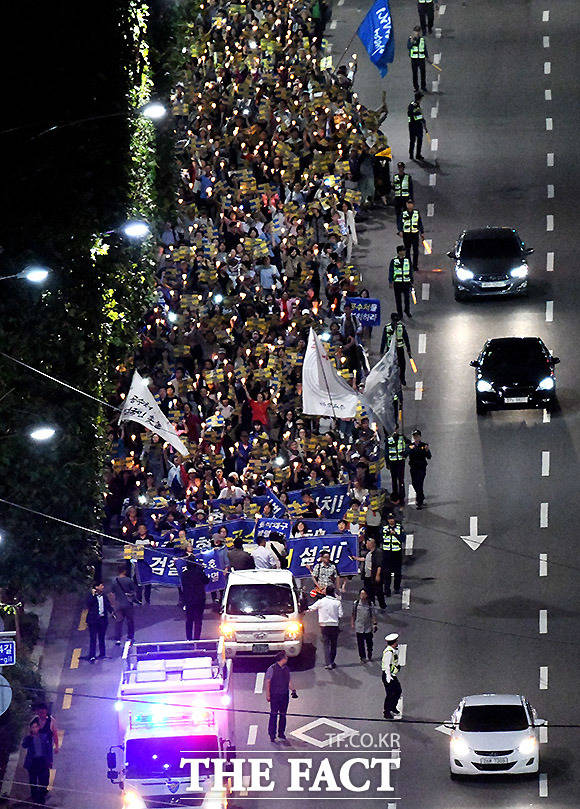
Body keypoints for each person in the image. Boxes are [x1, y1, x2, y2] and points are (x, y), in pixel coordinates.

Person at [265, 651, 298, 742]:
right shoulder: (272, 669)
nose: (287, 659)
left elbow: (288, 681)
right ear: (282, 659)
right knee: (274, 715)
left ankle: (281, 732)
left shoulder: (286, 669)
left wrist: (293, 690)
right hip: (275, 695)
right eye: (286, 658)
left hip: (284, 695)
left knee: (283, 715)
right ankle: (272, 734)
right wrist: (268, 694)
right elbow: (268, 682)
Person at [308, 584, 343, 669]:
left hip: (324, 626)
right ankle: (332, 661)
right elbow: (340, 615)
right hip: (334, 625)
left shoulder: (321, 601)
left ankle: (328, 663)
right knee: (333, 645)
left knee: (326, 644)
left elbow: (311, 608)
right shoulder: (337, 602)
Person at [22, 720, 52, 805]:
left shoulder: (44, 737)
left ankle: (42, 796)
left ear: (38, 727)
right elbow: (24, 745)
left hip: (42, 762)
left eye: (36, 727)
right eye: (33, 727)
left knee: (44, 780)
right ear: (30, 729)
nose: (34, 729)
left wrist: (50, 761)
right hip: (33, 763)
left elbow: (48, 750)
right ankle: (35, 799)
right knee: (33, 782)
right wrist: (29, 738)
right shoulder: (29, 738)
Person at [181, 556, 210, 640]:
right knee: (198, 620)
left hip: (189, 599)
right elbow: (206, 580)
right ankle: (197, 638)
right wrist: (201, 569)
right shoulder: (199, 573)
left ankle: (189, 639)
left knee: (189, 620)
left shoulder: (184, 574)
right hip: (199, 599)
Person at [380, 312, 412, 385]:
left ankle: (402, 378)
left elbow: (406, 338)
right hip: (390, 350)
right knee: (389, 365)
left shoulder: (401, 327)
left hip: (399, 348)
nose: (395, 323)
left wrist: (408, 349)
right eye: (394, 321)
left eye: (396, 321)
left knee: (402, 364)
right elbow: (383, 340)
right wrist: (381, 351)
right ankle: (389, 378)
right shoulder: (387, 328)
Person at [86, 581, 113, 662]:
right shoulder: (91, 596)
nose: (103, 587)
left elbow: (107, 605)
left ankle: (102, 654)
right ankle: (92, 655)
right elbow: (88, 604)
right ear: (96, 587)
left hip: (102, 620)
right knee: (93, 638)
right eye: (101, 585)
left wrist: (112, 612)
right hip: (93, 621)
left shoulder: (104, 596)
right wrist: (93, 595)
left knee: (101, 637)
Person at [109, 565, 137, 646]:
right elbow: (133, 591)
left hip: (118, 604)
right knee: (130, 621)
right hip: (128, 604)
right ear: (124, 571)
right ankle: (130, 637)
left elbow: (111, 593)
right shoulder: (128, 580)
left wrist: (113, 604)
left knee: (119, 621)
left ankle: (118, 639)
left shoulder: (114, 581)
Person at [397, 199, 424, 273]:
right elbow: (399, 223)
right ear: (406, 204)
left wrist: (422, 232)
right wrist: (400, 231)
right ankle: (409, 265)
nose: (410, 205)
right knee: (407, 251)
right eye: (408, 204)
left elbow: (419, 222)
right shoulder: (403, 213)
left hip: (415, 234)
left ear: (413, 205)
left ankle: (415, 266)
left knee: (415, 251)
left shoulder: (416, 213)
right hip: (406, 234)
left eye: (411, 204)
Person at [381, 512, 405, 596]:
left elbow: (403, 539)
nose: (391, 520)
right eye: (389, 519)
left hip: (396, 553)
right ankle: (387, 590)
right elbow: (380, 538)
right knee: (386, 572)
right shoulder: (384, 528)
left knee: (397, 572)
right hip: (387, 553)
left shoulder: (399, 528)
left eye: (392, 518)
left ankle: (397, 587)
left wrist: (395, 534)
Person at [351, 588, 378, 663]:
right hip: (359, 627)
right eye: (361, 594)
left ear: (366, 595)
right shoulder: (356, 603)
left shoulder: (370, 604)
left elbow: (373, 615)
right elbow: (353, 614)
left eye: (364, 594)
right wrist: (352, 623)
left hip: (368, 627)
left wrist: (374, 624)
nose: (362, 595)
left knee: (369, 643)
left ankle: (369, 653)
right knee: (360, 644)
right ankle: (362, 657)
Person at [407, 429, 432, 509]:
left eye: (417, 436)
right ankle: (421, 496)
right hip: (413, 468)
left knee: (420, 484)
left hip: (421, 468)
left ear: (420, 437)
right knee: (415, 484)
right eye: (414, 436)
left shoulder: (424, 445)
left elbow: (429, 457)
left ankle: (419, 502)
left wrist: (427, 451)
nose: (416, 437)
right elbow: (405, 453)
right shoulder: (411, 446)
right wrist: (408, 450)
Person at [389, 244, 414, 319]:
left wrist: (412, 280)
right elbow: (391, 271)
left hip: (406, 282)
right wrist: (390, 281)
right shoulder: (394, 261)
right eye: (403, 250)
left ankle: (407, 310)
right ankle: (400, 313)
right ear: (399, 252)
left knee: (407, 298)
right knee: (398, 300)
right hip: (397, 283)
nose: (404, 252)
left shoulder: (407, 260)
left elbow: (410, 270)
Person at [381, 633, 402, 719]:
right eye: (396, 642)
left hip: (392, 675)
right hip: (388, 676)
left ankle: (393, 707)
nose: (397, 643)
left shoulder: (392, 650)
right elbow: (386, 666)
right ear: (394, 642)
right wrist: (388, 677)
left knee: (398, 691)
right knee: (390, 694)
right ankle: (386, 712)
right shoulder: (388, 652)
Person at [386, 427, 408, 504]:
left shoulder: (402, 437)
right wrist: (387, 463)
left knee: (401, 480)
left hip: (401, 462)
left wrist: (405, 454)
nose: (394, 431)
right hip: (392, 462)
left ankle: (402, 498)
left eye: (396, 429)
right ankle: (395, 497)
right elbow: (386, 451)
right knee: (394, 480)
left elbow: (409, 445)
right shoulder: (389, 439)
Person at [407, 25, 432, 92]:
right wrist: (412, 42)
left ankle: (423, 87)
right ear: (413, 32)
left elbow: (424, 49)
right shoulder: (410, 39)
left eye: (418, 31)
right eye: (416, 31)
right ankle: (416, 87)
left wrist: (427, 57)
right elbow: (409, 47)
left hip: (421, 59)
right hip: (414, 59)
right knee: (415, 74)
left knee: (423, 73)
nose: (417, 33)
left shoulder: (422, 40)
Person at [407, 92, 428, 161]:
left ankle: (411, 155)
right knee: (419, 140)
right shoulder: (416, 106)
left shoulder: (411, 104)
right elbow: (416, 116)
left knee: (412, 140)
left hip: (411, 125)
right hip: (417, 126)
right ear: (420, 98)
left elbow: (410, 115)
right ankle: (418, 155)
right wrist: (423, 120)